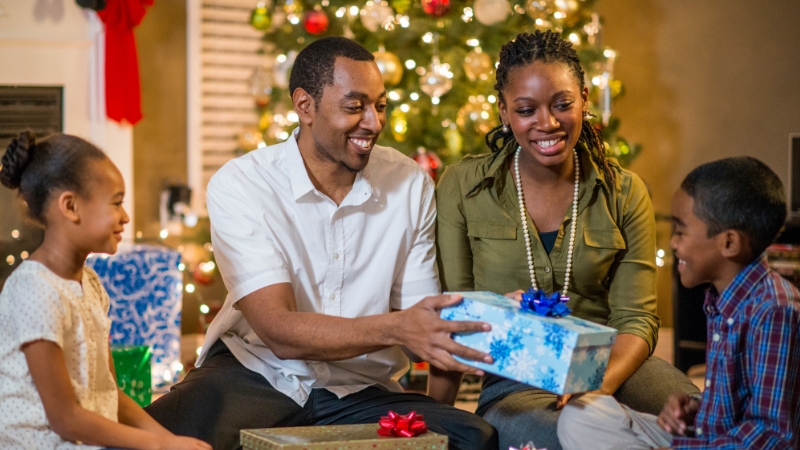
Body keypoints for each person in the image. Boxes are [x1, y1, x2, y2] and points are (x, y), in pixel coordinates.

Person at [144, 37, 498, 450]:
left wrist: (426, 433)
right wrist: (400, 327)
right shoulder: (242, 184)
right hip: (254, 372)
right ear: (304, 106)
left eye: (380, 105)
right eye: (354, 106)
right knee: (145, 441)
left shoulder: (409, 183)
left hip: (362, 390)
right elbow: (278, 331)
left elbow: (427, 325)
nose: (373, 122)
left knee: (474, 437)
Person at [432, 30, 699, 450]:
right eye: (525, 109)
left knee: (698, 418)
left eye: (562, 104)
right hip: (516, 383)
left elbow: (636, 320)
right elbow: (457, 316)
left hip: (617, 365)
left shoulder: (625, 191)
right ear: (503, 111)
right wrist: (435, 426)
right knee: (568, 440)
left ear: (585, 100)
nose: (548, 123)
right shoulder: (462, 188)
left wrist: (596, 387)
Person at [558, 157, 800, 449]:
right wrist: (695, 409)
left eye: (681, 231)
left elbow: (771, 436)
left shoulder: (776, 310)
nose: (673, 242)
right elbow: (733, 406)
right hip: (709, 440)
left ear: (729, 243)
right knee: (581, 415)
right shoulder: (722, 299)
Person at [0, 131, 210, 449]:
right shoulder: (34, 289)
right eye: (116, 203)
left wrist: (171, 441)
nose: (125, 216)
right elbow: (65, 419)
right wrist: (159, 446)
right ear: (70, 206)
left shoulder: (92, 284)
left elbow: (109, 390)